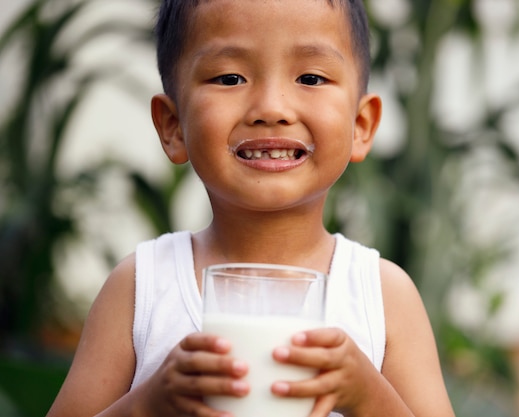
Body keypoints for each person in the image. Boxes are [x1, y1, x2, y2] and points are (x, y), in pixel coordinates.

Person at [47, 0, 456, 416]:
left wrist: (368, 395)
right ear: (173, 127)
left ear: (360, 125)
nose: (271, 109)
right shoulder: (143, 288)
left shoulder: (381, 296)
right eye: (230, 77)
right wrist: (148, 405)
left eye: (310, 77)